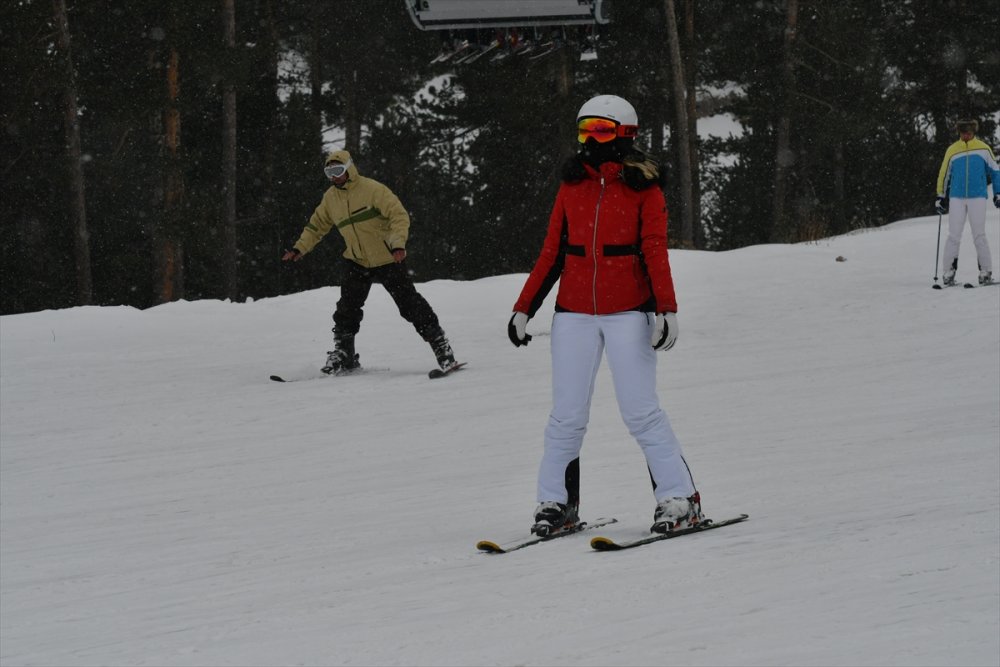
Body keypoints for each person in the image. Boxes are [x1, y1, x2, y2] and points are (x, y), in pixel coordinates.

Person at [508, 94, 701, 537]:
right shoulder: (571, 185)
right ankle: (556, 504)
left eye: (602, 130)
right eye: (585, 130)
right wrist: (524, 308)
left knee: (640, 411)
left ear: (625, 134)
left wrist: (665, 308)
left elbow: (654, 249)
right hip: (573, 313)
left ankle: (679, 498)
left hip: (627, 312)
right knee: (566, 415)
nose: (591, 140)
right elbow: (552, 252)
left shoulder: (643, 188)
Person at [282, 149, 458, 374]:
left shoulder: (372, 189)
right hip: (356, 259)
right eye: (329, 172)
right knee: (347, 307)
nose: (333, 176)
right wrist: (300, 248)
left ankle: (441, 346)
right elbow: (316, 226)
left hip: (387, 256)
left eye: (337, 170)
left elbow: (399, 215)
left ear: (349, 169)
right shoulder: (330, 198)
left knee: (409, 304)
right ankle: (345, 354)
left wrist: (397, 244)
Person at [934, 118, 1000, 286]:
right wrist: (940, 196)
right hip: (957, 197)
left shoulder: (984, 149)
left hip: (977, 196)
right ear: (959, 133)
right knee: (954, 235)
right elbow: (944, 173)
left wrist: (998, 193)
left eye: (969, 132)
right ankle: (948, 272)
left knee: (979, 235)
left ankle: (985, 272)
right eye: (963, 132)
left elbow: (995, 171)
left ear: (973, 132)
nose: (966, 135)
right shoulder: (952, 150)